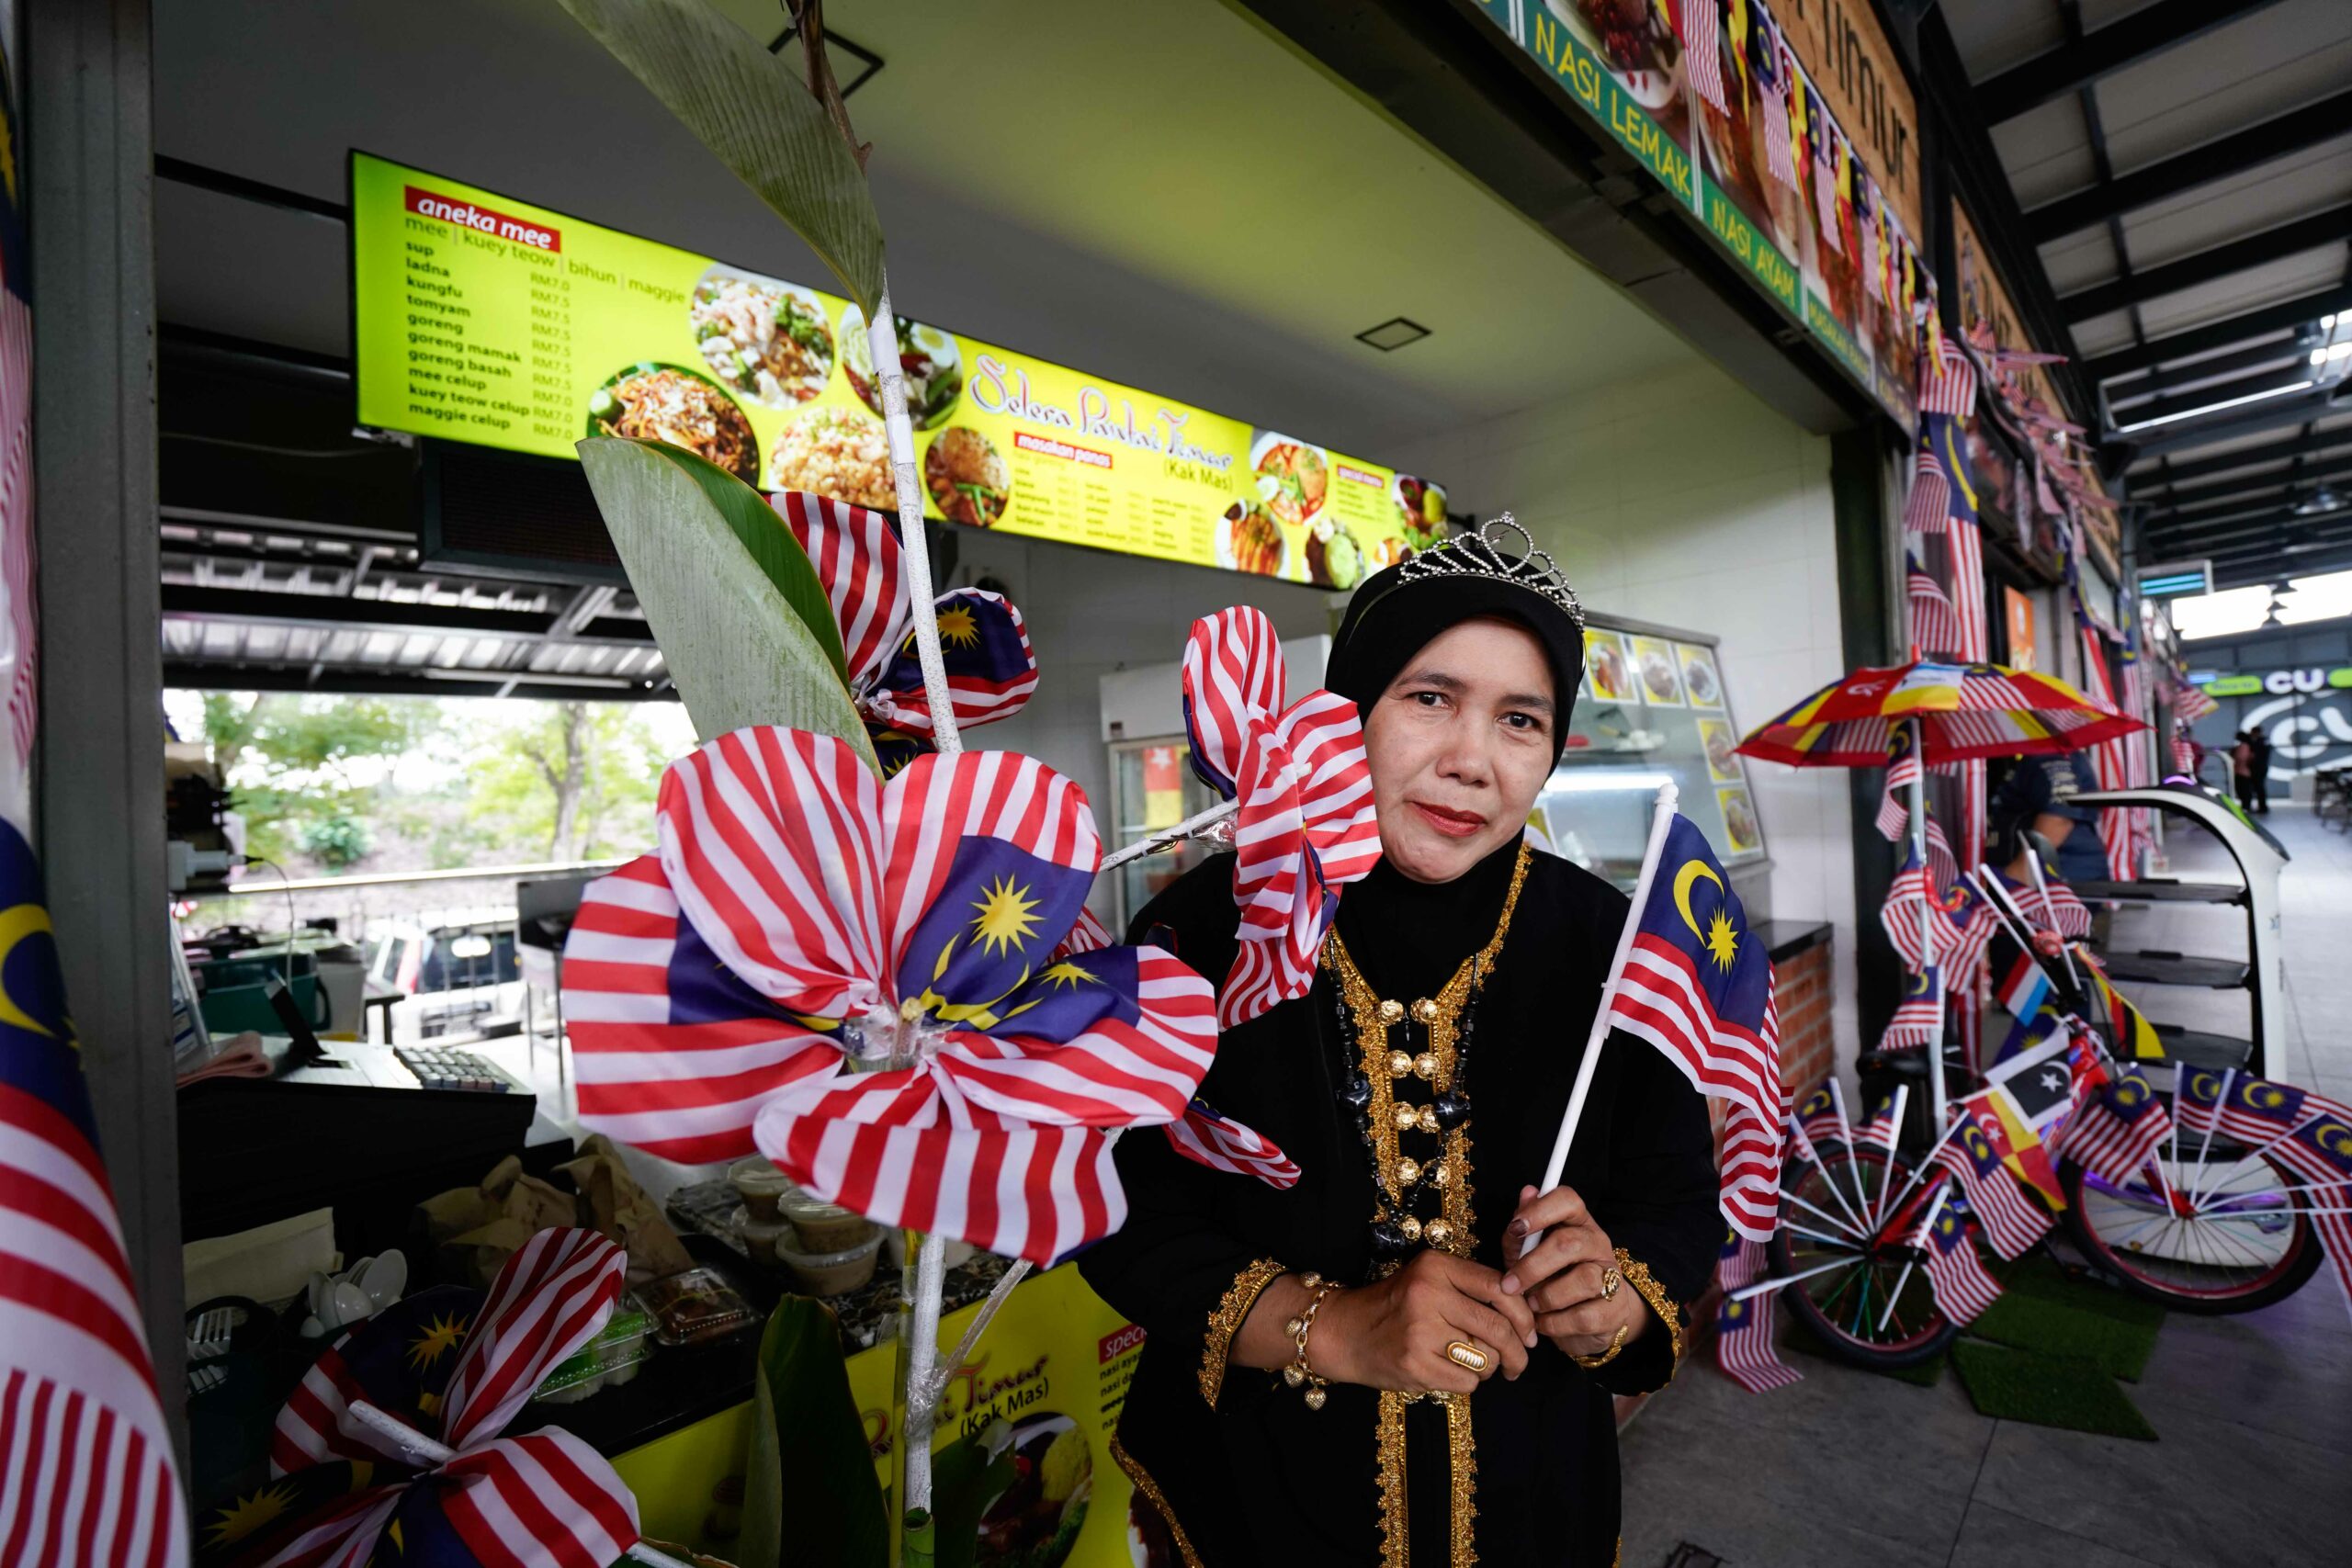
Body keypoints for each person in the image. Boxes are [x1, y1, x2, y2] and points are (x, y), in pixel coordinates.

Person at [1079, 522, 1722, 1567]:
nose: (1470, 761)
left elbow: (1678, 1193)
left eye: (1520, 719)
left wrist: (1610, 1306)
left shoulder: (1611, 944)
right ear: (1350, 714)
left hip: (1532, 1496)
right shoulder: (1206, 928)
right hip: (1252, 1494)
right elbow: (1112, 1205)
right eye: (1430, 698)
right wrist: (1325, 1325)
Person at [1987, 750, 2109, 886]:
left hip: (2060, 878)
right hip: (2046, 878)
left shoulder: (2050, 756)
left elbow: (2058, 820)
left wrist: (2012, 880)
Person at [2245, 726, 2273, 814]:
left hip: (2259, 768)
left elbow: (2262, 754)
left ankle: (2262, 806)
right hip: (2255, 767)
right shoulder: (2253, 741)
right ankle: (2254, 805)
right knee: (2254, 787)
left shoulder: (2262, 742)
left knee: (2259, 787)